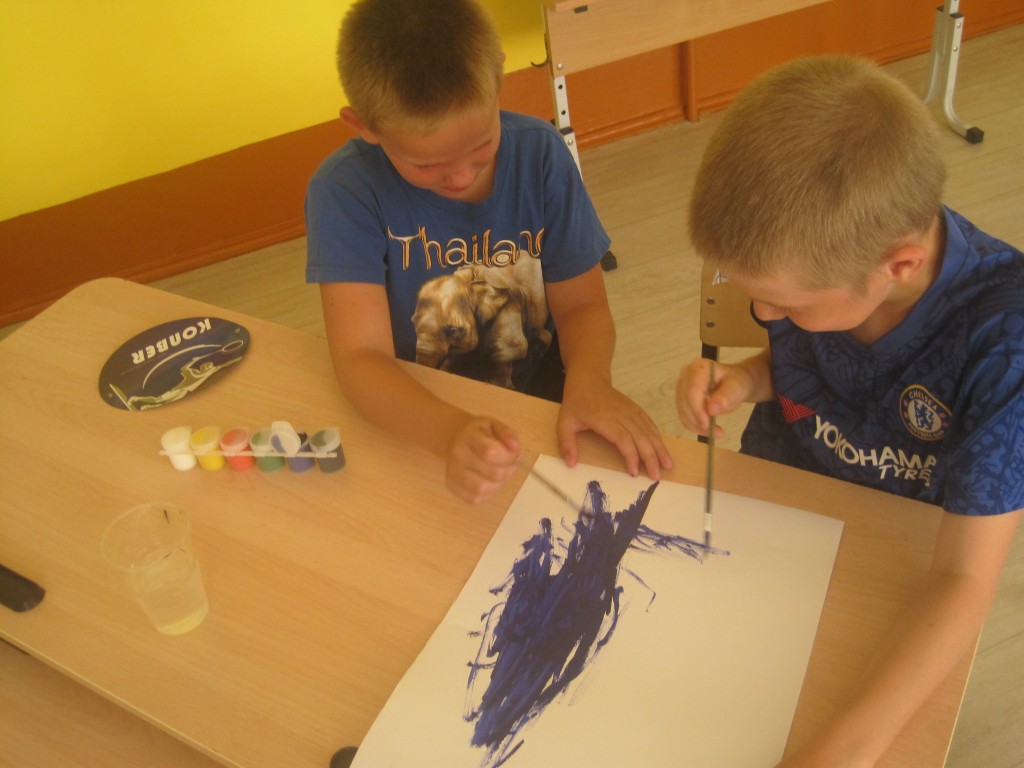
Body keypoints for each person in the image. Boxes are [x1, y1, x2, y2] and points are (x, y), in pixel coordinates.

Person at [676, 54, 1023, 766]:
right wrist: (744, 378)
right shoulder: (827, 264)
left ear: (899, 265)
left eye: (786, 305)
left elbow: (963, 580)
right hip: (773, 518)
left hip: (898, 568)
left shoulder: (1005, 344)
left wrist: (842, 754)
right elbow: (797, 360)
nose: (763, 314)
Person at [306, 0, 671, 503]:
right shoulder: (344, 190)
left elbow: (583, 305)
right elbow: (360, 358)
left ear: (499, 77)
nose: (460, 177)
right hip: (417, 409)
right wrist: (447, 432)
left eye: (481, 145)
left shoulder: (541, 154)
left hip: (544, 392)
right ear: (364, 125)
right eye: (426, 164)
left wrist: (590, 381)